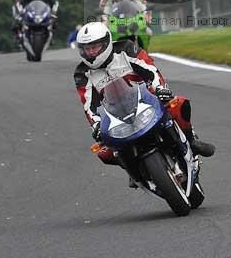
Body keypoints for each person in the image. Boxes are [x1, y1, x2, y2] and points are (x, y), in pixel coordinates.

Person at [73, 22, 215, 174]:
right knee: (104, 151)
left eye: (95, 47)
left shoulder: (125, 49)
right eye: (87, 49)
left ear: (106, 43)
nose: (91, 53)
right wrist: (96, 124)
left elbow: (150, 69)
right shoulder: (82, 73)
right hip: (116, 114)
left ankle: (191, 141)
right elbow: (88, 104)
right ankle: (133, 170)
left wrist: (160, 88)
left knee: (179, 104)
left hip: (147, 98)